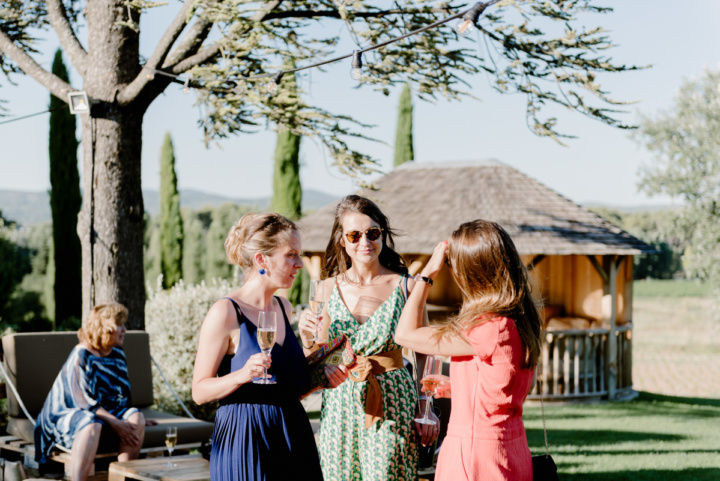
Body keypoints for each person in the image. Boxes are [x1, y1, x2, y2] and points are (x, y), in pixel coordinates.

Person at [192, 212, 347, 481]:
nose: (300, 264)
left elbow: (291, 383)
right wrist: (242, 375)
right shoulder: (226, 312)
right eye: (291, 255)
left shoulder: (284, 307)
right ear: (261, 260)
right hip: (246, 438)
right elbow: (199, 391)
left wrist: (318, 361)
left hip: (292, 433)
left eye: (299, 255)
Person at [298, 195, 439, 480]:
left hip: (392, 398)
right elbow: (317, 357)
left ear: (382, 235)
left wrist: (426, 408)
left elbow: (425, 353)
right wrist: (305, 336)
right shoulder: (325, 289)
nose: (365, 242)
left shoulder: (407, 287)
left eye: (372, 233)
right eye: (354, 235)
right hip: (339, 403)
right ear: (342, 240)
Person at [394, 219, 544, 481]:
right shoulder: (519, 320)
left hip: (476, 455)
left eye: (452, 264)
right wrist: (460, 388)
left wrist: (426, 274)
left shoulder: (489, 327)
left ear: (472, 272)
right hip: (512, 449)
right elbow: (513, 388)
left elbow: (405, 334)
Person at [34, 303, 151, 481]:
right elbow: (83, 402)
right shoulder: (82, 354)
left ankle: (122, 478)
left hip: (102, 412)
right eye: (119, 325)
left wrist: (132, 419)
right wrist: (116, 422)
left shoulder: (117, 353)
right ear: (104, 328)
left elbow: (122, 395)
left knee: (136, 418)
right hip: (68, 412)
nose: (124, 330)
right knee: (91, 424)